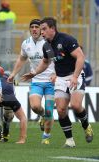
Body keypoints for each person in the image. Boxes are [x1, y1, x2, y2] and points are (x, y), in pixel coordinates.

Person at [22, 17, 93, 147]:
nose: (41, 32)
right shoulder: (47, 45)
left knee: (76, 106)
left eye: (44, 29)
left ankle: (86, 126)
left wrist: (75, 76)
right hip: (60, 78)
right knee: (61, 110)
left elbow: (80, 57)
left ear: (52, 29)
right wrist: (34, 73)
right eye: (41, 29)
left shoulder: (66, 40)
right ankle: (70, 141)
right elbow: (45, 62)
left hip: (74, 75)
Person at [7, 19, 55, 145]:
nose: (34, 29)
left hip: (51, 81)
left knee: (50, 111)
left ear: (41, 29)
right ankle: (43, 116)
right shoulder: (26, 43)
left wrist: (56, 74)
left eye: (37, 27)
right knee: (35, 106)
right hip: (37, 80)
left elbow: (57, 60)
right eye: (32, 27)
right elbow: (21, 59)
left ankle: (45, 137)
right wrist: (13, 74)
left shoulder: (48, 42)